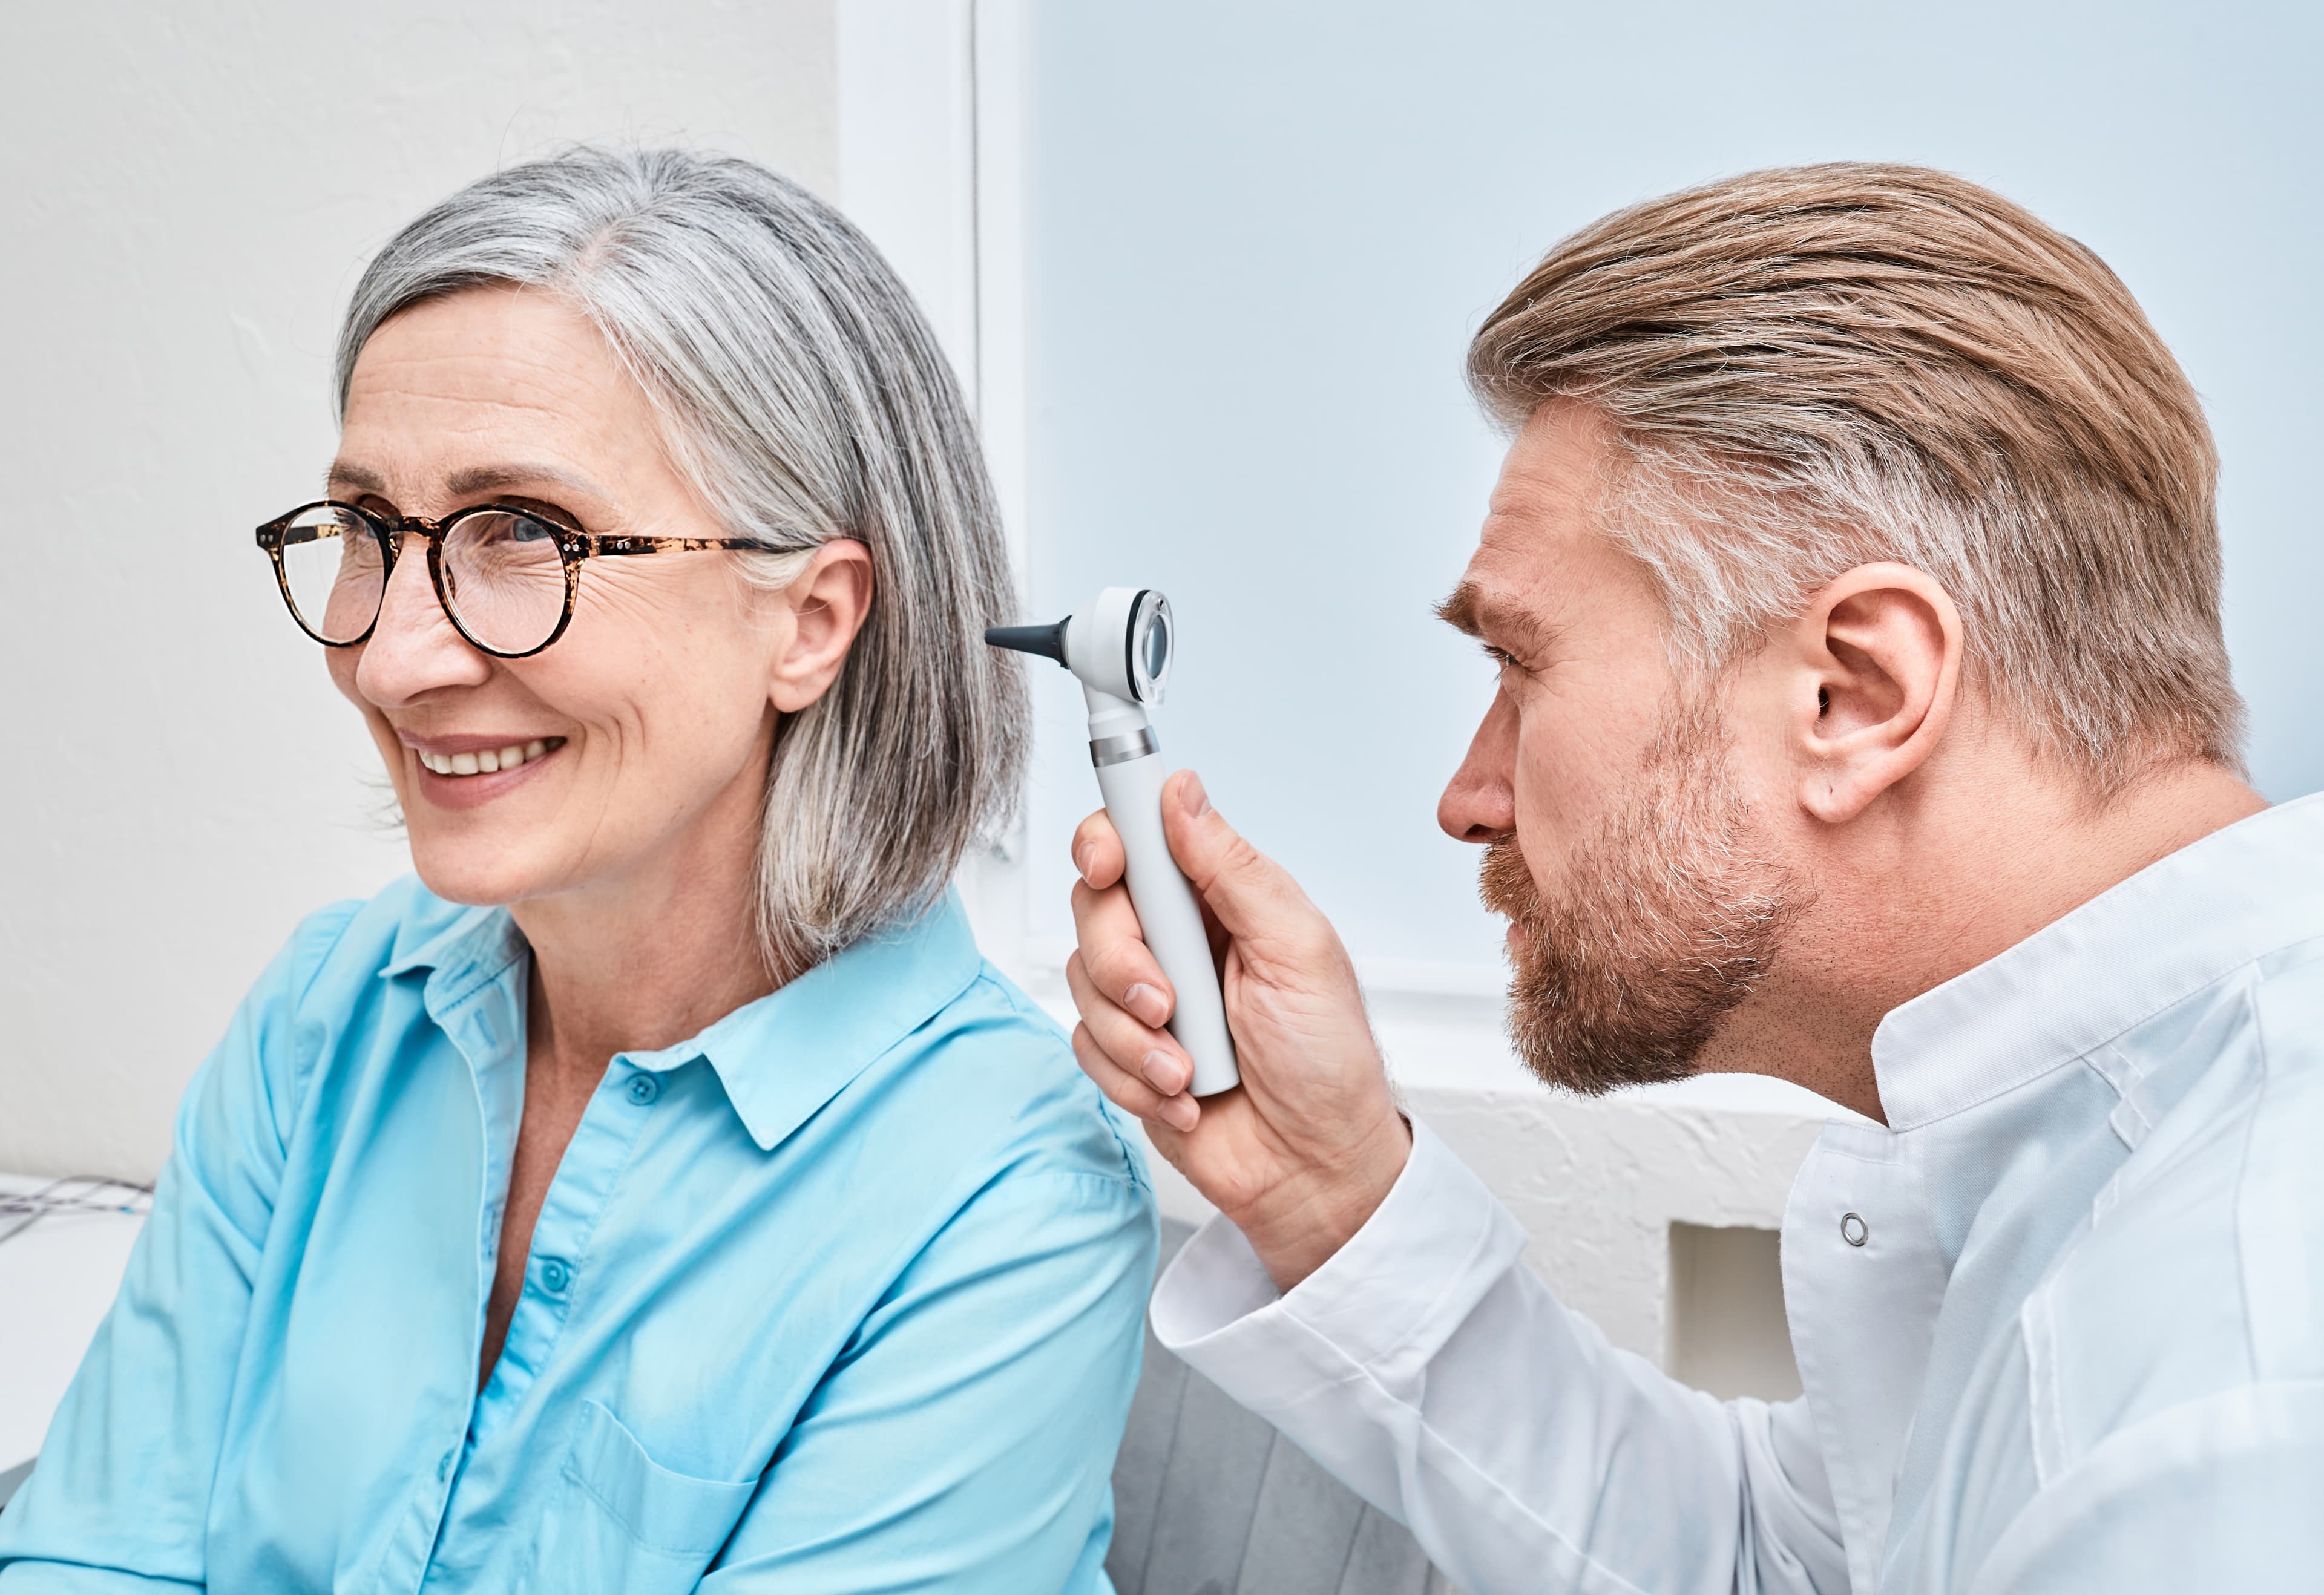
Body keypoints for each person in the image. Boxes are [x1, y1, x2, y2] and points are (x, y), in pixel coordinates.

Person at [1065, 163, 2324, 1593]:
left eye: (1520, 666)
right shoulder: (2014, 1129)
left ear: (1857, 694)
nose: (1469, 800)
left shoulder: (2234, 1401)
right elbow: (1770, 1568)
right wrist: (1329, 1192)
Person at [0, 148, 1155, 1593]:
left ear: (810, 619)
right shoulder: (327, 1016)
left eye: (521, 537)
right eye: (367, 531)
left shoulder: (1004, 1200)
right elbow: (94, 1559)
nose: (392, 656)